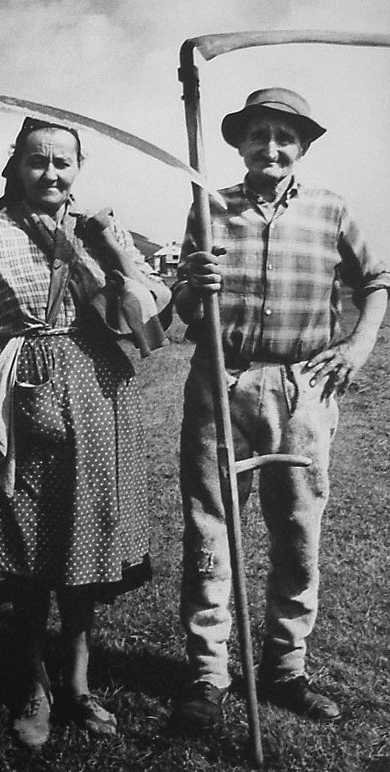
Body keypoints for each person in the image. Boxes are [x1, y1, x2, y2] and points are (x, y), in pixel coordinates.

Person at [0, 117, 171, 748]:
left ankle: (78, 685)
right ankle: (31, 686)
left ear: (77, 169)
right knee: (26, 539)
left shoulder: (100, 230)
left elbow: (151, 315)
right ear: (14, 164)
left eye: (63, 162)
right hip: (23, 391)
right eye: (37, 160)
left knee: (86, 538)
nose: (51, 173)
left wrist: (114, 248)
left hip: (101, 394)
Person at [171, 88, 390, 730]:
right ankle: (208, 672)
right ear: (238, 143)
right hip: (221, 379)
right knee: (211, 527)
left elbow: (376, 281)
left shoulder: (332, 209)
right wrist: (193, 285)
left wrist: (359, 344)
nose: (272, 147)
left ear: (303, 147)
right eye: (259, 135)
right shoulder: (208, 208)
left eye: (285, 137)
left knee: (297, 529)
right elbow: (186, 305)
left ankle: (285, 668)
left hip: (304, 388)